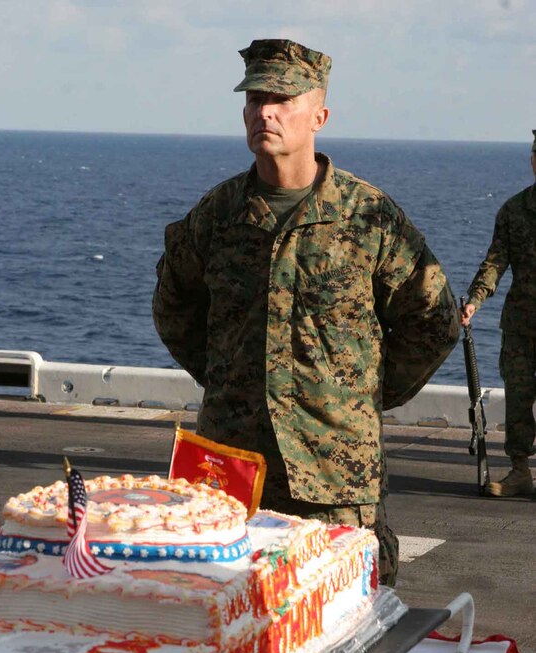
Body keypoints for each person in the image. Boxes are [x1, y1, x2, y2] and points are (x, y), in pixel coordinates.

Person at [153, 39, 460, 586]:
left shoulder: (367, 217)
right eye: (253, 99)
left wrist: (361, 395)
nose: (263, 112)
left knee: (345, 630)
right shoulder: (218, 215)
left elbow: (433, 317)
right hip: (233, 468)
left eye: (282, 99)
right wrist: (229, 379)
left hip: (333, 477)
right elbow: (174, 303)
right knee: (228, 621)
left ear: (319, 115)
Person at [461, 131, 536, 498]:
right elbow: (495, 262)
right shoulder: (515, 211)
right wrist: (476, 298)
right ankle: (520, 471)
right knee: (519, 396)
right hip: (522, 324)